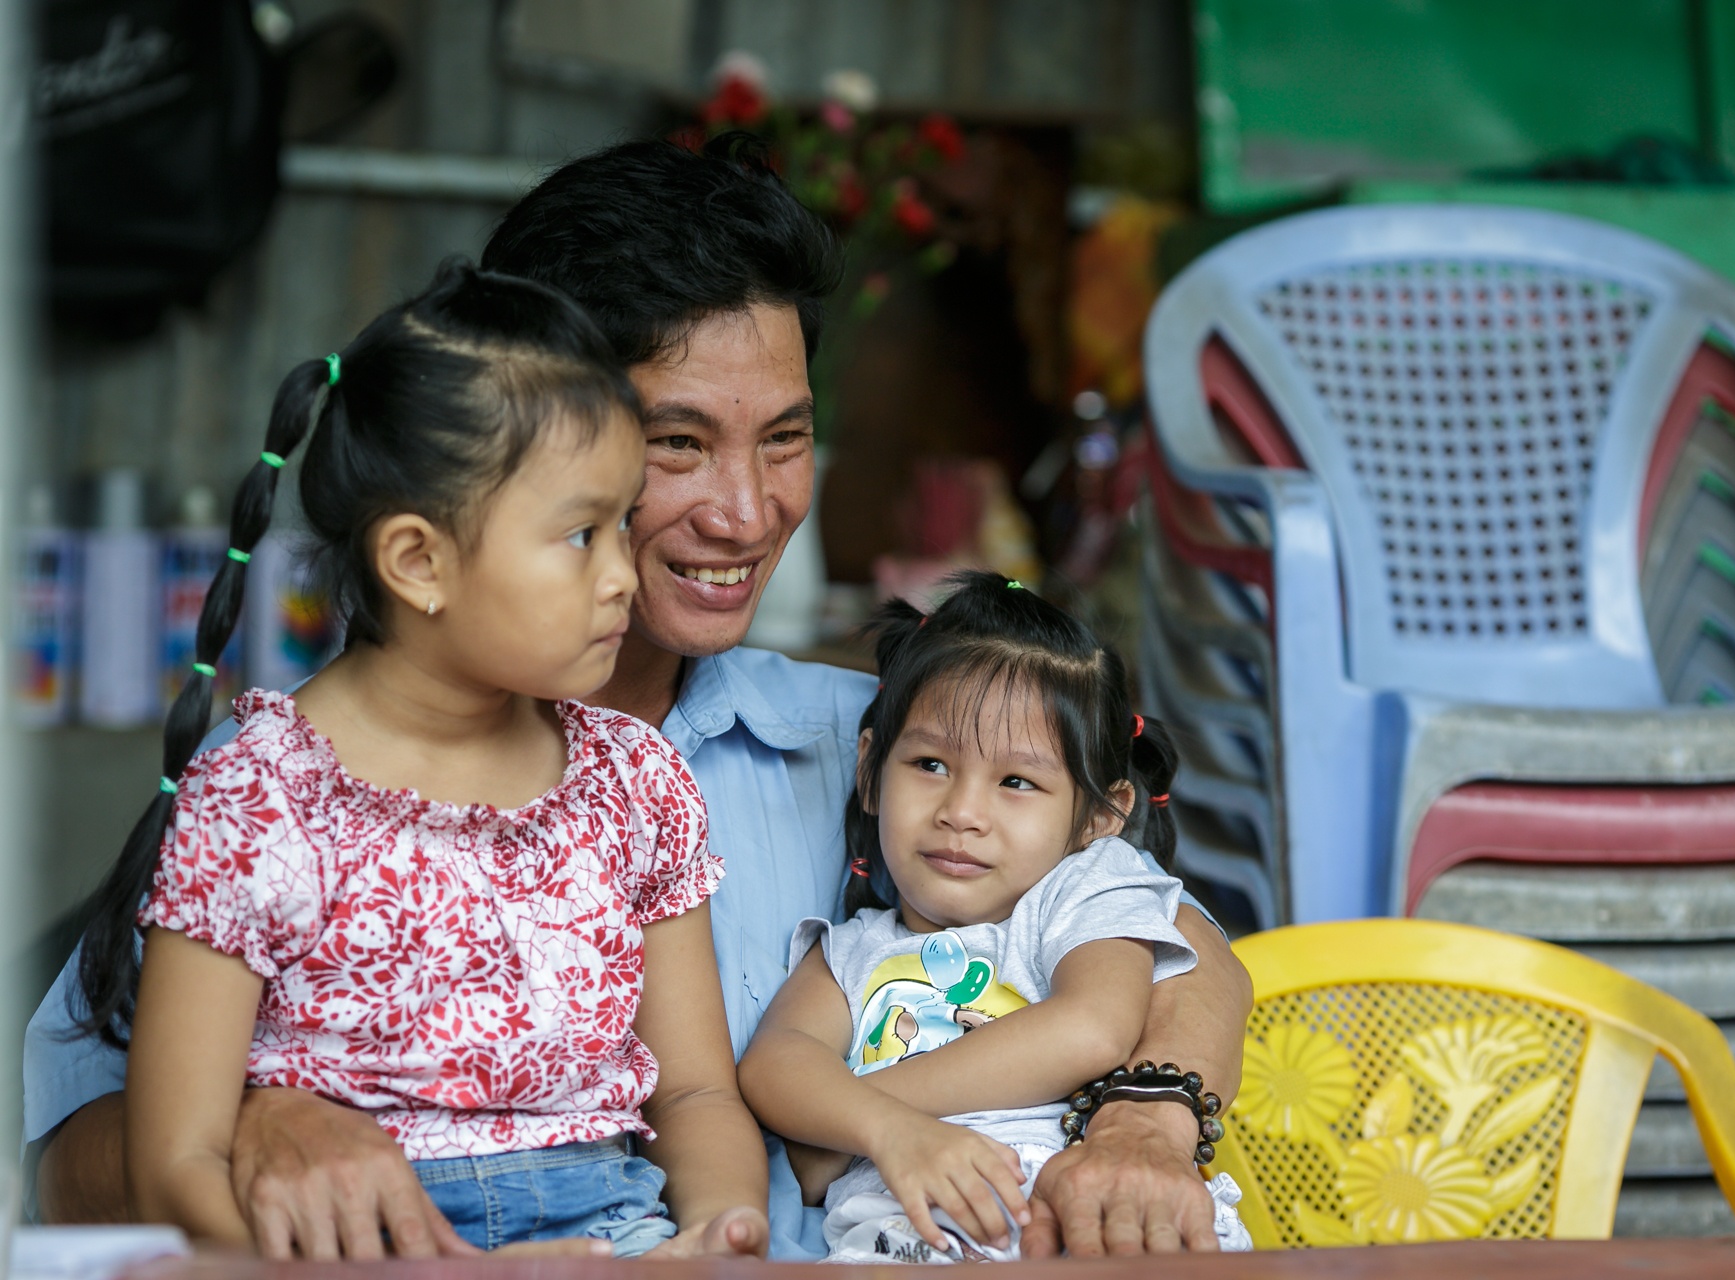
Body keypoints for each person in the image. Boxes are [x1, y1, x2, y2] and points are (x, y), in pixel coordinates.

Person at [26, 135, 1252, 1260]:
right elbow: (59, 1164)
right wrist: (263, 1119)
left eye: (784, 437)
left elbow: (1180, 942)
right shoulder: (277, 794)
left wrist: (1145, 1114)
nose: (745, 510)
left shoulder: (888, 746)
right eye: (675, 446)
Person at [73, 261, 768, 1258]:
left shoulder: (634, 783)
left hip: (613, 1235)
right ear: (418, 561)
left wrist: (716, 1227)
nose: (623, 574)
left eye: (623, 522)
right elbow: (176, 1162)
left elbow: (696, 1086)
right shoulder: (262, 796)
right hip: (363, 1249)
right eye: (580, 534)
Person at [740, 573, 1252, 1263]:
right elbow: (776, 1065)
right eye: (928, 763)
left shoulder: (1085, 893)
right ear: (870, 774)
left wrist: (865, 1117)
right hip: (906, 1243)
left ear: (1100, 817)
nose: (962, 811)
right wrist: (893, 1136)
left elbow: (1093, 1027)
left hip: (1105, 1225)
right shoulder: (849, 953)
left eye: (1017, 782)